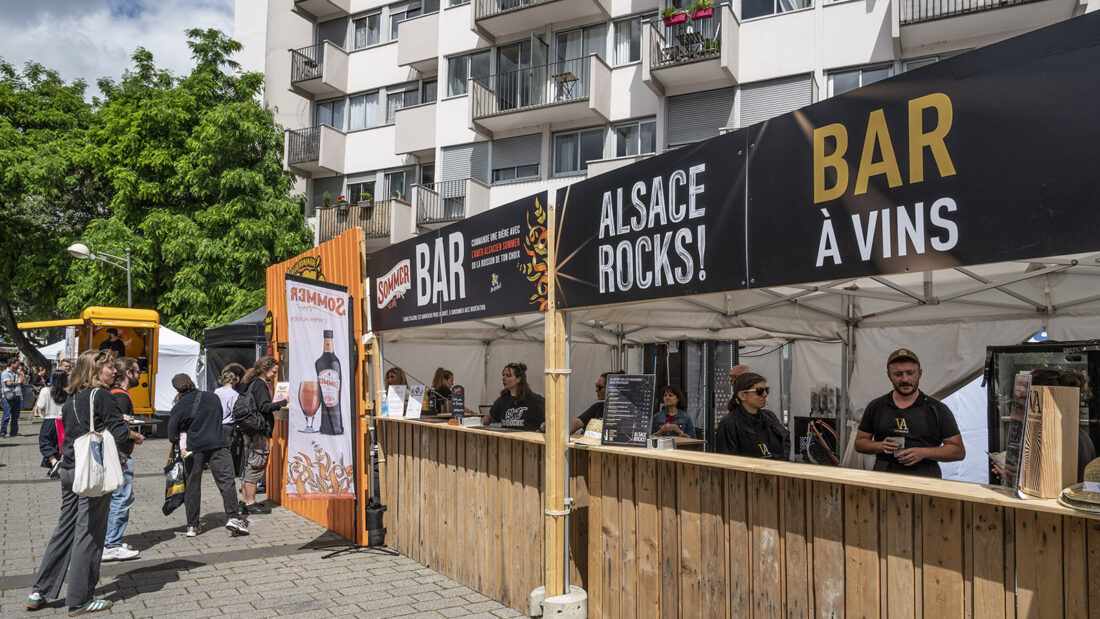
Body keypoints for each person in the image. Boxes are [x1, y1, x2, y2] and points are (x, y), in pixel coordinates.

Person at [25, 350, 136, 615]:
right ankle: (79, 599)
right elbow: (119, 434)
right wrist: (132, 433)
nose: (114, 371)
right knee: (90, 534)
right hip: (92, 471)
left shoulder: (73, 397)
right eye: (109, 367)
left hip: (69, 468)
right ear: (96, 370)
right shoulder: (104, 396)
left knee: (64, 530)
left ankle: (39, 591)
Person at [854, 349, 965, 478]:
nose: (905, 379)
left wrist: (924, 453)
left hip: (925, 479)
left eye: (910, 373)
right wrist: (880, 445)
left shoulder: (937, 409)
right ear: (889, 375)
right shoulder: (876, 406)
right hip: (884, 478)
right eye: (898, 374)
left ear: (920, 373)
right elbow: (859, 443)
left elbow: (958, 451)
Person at [168, 374, 249, 537]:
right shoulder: (212, 397)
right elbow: (219, 416)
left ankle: (192, 525)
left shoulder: (179, 406)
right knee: (226, 481)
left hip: (193, 448)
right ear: (192, 382)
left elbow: (171, 434)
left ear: (177, 389)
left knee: (192, 485)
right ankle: (233, 517)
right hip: (218, 443)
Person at [103, 358, 144, 561]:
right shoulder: (121, 396)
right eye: (137, 371)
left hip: (115, 454)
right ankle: (112, 544)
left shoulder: (116, 394)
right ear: (128, 373)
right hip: (119, 455)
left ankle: (110, 540)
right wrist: (135, 435)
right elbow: (116, 427)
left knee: (116, 498)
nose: (140, 375)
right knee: (122, 498)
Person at [239, 356, 287, 515]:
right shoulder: (260, 385)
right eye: (274, 371)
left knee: (248, 465)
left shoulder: (251, 383)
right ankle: (251, 503)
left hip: (250, 431)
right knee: (256, 465)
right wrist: (283, 402)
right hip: (259, 432)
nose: (275, 374)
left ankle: (245, 501)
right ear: (265, 369)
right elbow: (264, 407)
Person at [716, 372, 791, 459]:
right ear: (743, 395)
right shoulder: (729, 424)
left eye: (766, 390)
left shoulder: (770, 417)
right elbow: (727, 461)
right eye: (759, 391)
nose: (765, 395)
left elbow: (785, 442)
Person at [482, 362, 545, 431]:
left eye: (508, 375)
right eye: (503, 375)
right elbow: (488, 418)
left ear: (519, 379)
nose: (503, 379)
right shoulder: (502, 400)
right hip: (507, 441)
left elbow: (554, 417)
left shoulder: (535, 400)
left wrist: (542, 431)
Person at [36, 371, 69, 479]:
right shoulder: (68, 391)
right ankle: (53, 468)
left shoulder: (46, 390)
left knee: (44, 443)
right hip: (62, 421)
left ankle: (54, 462)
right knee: (57, 445)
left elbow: (41, 405)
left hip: (50, 419)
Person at [570, 371, 624, 435]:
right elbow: (577, 423)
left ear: (612, 388)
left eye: (599, 387)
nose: (596, 390)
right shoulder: (598, 407)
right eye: (596, 386)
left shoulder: (625, 411)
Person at [214, 368, 241, 445]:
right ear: (234, 381)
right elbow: (234, 410)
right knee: (226, 449)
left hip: (216, 424)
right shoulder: (235, 394)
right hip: (228, 425)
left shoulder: (216, 391)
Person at [2, 357, 25, 437]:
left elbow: (22, 381)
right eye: (17, 363)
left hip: (17, 395)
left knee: (15, 416)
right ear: (12, 364)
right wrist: (18, 382)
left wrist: (21, 373)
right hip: (8, 396)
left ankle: (14, 432)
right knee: (7, 415)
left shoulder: (16, 372)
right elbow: (8, 383)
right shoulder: (5, 372)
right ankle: (2, 432)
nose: (18, 365)